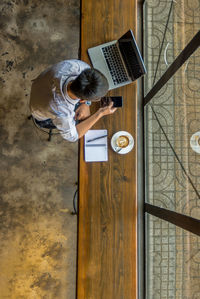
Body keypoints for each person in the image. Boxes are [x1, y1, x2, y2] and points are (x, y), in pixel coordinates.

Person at [30, 59, 117, 142]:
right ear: (82, 100)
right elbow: (73, 136)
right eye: (97, 99)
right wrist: (100, 113)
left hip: (40, 84)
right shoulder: (63, 113)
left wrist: (86, 103)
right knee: (78, 122)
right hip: (39, 114)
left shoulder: (79, 67)